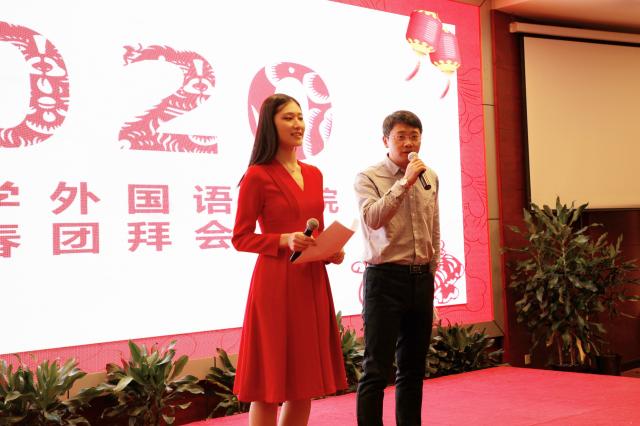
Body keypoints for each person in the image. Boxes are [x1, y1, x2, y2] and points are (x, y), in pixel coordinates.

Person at [232, 93, 348, 426]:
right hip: (274, 284)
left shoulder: (314, 174)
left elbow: (316, 231)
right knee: (268, 385)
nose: (298, 124)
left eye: (299, 116)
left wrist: (330, 252)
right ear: (270, 124)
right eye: (288, 117)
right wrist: (283, 239)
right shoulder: (257, 175)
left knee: (303, 383)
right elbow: (240, 237)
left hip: (310, 281)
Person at [354, 110, 440, 426]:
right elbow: (373, 218)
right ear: (385, 141)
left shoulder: (430, 176)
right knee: (376, 368)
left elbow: (433, 228)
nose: (408, 143)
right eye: (400, 137)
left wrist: (431, 274)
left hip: (421, 280)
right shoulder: (368, 177)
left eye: (414, 137)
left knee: (413, 369)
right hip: (384, 280)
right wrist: (405, 182)